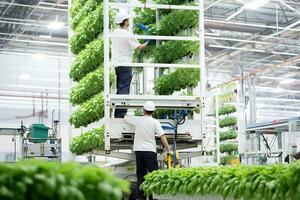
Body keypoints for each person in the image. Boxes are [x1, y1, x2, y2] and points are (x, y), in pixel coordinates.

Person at [124, 101, 170, 200]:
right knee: (154, 175)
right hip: (150, 151)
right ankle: (153, 196)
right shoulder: (155, 122)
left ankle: (141, 197)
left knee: (141, 176)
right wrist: (168, 149)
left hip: (139, 151)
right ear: (153, 111)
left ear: (144, 110)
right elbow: (162, 136)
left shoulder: (138, 120)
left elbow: (126, 118)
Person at [112, 12, 148, 118]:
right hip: (125, 64)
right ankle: (120, 115)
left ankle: (118, 114)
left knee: (120, 88)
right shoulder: (127, 34)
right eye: (127, 20)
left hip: (117, 65)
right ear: (125, 21)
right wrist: (149, 40)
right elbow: (140, 47)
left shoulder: (115, 32)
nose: (128, 22)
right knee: (124, 90)